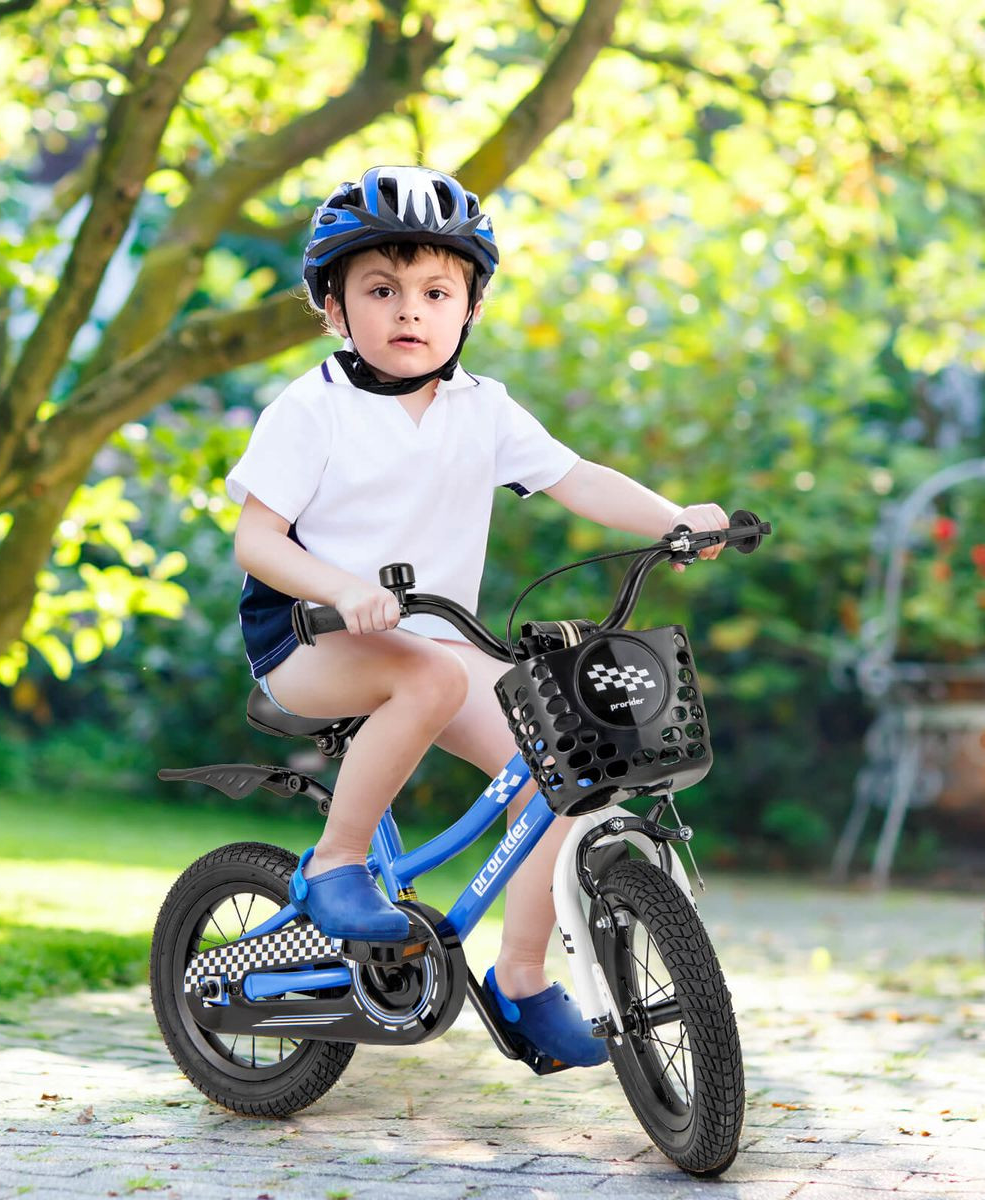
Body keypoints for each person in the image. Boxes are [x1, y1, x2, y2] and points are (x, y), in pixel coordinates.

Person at [225, 165, 727, 1068]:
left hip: (437, 645)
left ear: (470, 309)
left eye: (434, 291)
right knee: (432, 671)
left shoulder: (480, 408)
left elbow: (578, 480)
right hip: (312, 645)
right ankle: (337, 862)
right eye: (380, 290)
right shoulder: (313, 410)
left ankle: (522, 978)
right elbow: (257, 542)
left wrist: (675, 519)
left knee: (568, 763)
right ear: (335, 309)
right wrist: (340, 587)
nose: (408, 310)